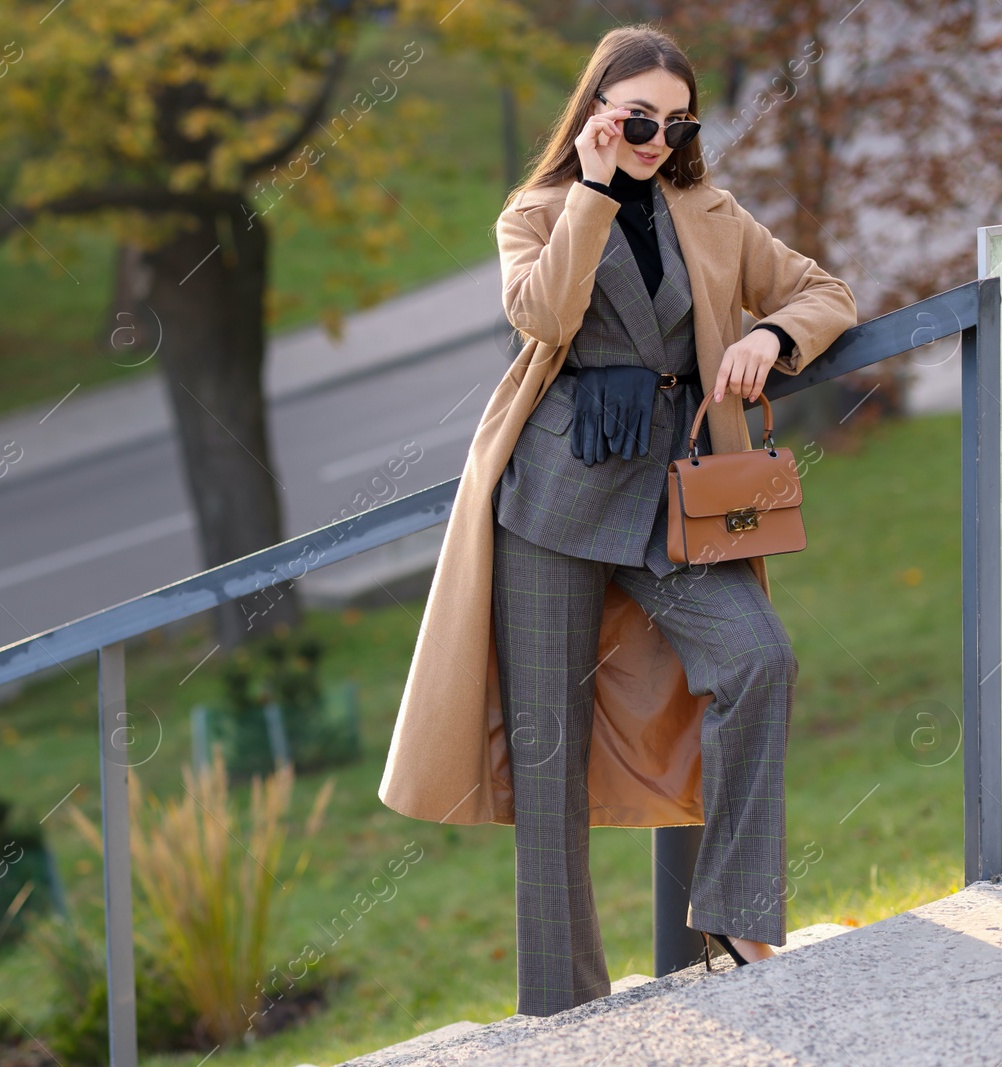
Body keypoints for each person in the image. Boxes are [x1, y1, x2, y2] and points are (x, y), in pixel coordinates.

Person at [374, 22, 857, 1020]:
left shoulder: (710, 210)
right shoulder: (537, 210)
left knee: (755, 657)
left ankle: (729, 909)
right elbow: (545, 317)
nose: (658, 138)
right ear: (597, 109)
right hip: (553, 503)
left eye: (676, 123)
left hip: (672, 500)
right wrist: (594, 192)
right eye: (640, 119)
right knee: (548, 761)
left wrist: (769, 332)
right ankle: (561, 1006)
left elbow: (825, 292)